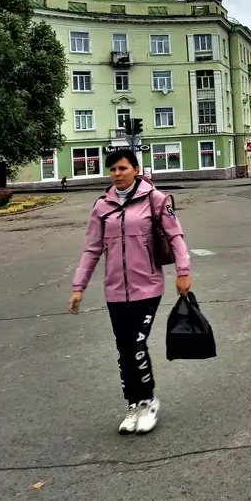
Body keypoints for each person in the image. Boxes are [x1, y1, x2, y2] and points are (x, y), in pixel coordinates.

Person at [68, 148, 191, 435]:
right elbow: (92, 249)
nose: (117, 174)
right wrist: (78, 287)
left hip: (147, 286)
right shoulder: (102, 206)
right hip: (114, 290)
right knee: (124, 350)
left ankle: (148, 401)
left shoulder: (156, 200)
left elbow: (176, 237)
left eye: (122, 168)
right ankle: (133, 404)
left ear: (136, 169)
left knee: (136, 344)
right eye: (112, 170)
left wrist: (183, 273)